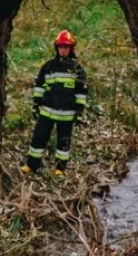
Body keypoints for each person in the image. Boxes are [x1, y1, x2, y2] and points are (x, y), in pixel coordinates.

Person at [21, 30, 88, 175]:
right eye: (61, 47)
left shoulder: (77, 69)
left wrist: (79, 112)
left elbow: (81, 93)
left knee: (63, 142)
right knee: (38, 138)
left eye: (66, 47)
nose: (63, 50)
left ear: (71, 49)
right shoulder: (48, 66)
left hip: (67, 113)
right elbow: (39, 86)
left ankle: (60, 169)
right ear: (57, 48)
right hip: (47, 111)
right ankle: (31, 165)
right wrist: (35, 104)